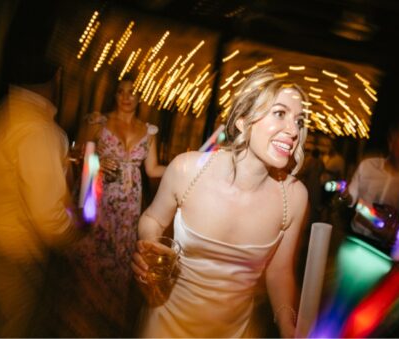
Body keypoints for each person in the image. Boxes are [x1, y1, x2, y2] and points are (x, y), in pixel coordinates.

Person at [131, 68, 308, 337]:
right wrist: (150, 244)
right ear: (243, 120)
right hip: (165, 324)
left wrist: (287, 324)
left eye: (299, 121)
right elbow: (152, 219)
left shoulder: (294, 197)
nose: (293, 130)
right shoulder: (187, 170)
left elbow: (280, 272)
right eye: (280, 113)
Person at [57, 76, 168, 336]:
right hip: (99, 203)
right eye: (121, 92)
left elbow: (152, 170)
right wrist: (96, 160)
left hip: (128, 211)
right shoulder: (98, 121)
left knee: (118, 265)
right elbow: (74, 156)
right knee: (91, 261)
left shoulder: (149, 131)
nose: (127, 97)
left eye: (133, 92)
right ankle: (79, 323)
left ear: (141, 97)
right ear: (115, 95)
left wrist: (191, 164)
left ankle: (105, 326)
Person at [0, 19, 79, 338]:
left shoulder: (4, 112)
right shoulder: (41, 131)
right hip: (15, 251)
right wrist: (74, 232)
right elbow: (47, 217)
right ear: (56, 77)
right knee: (16, 327)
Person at [343, 123, 399, 247]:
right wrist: (344, 195)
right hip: (356, 237)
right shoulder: (368, 165)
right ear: (391, 142)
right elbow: (351, 199)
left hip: (384, 247)